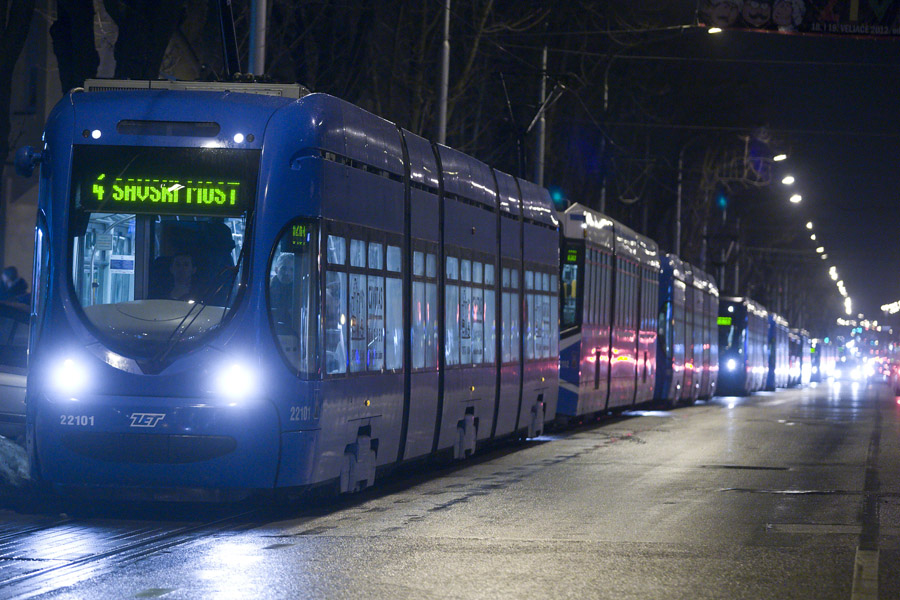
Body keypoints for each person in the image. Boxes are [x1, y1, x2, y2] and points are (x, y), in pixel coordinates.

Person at [269, 253, 294, 327]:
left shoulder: (300, 291)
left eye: (292, 270)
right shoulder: (267, 288)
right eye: (283, 268)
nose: (287, 273)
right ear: (276, 270)